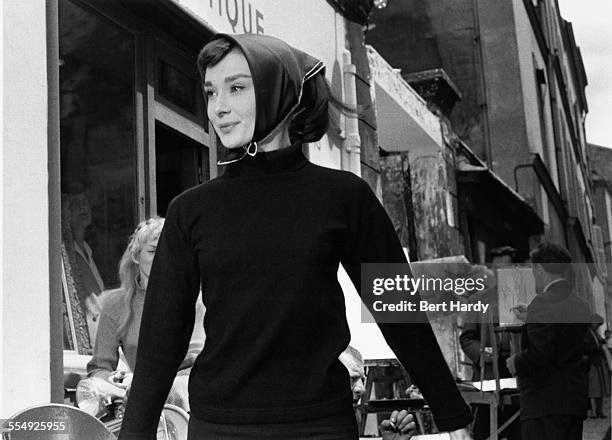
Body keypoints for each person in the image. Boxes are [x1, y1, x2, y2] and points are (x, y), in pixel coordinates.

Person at [118, 33, 472, 440]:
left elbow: (398, 310)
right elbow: (162, 336)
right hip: (220, 428)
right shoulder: (190, 211)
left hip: (319, 426)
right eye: (211, 92)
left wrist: (450, 414)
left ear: (278, 90)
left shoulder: (342, 197)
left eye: (236, 88)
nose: (219, 108)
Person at [87, 217, 205, 412]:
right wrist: (115, 380)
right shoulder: (115, 304)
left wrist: (143, 383)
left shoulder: (195, 302)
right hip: (137, 406)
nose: (161, 258)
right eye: (152, 251)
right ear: (136, 255)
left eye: (168, 252)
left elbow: (196, 366)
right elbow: (98, 368)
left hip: (184, 410)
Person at [505, 242, 590, 440]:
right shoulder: (580, 304)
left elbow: (540, 354)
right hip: (572, 402)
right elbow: (563, 340)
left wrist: (516, 362)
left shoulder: (542, 302)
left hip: (544, 403)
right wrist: (531, 318)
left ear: (540, 269)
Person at [62, 182, 105, 344]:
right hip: (87, 335)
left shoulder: (86, 248)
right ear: (66, 213)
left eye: (85, 203)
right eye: (76, 204)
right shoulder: (66, 253)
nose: (82, 208)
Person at [584, 314, 610, 418]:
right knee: (593, 390)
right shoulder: (587, 333)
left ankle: (599, 410)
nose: (597, 326)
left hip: (598, 363)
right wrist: (599, 348)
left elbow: (600, 342)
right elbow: (587, 347)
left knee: (601, 389)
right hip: (592, 364)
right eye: (597, 324)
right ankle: (594, 411)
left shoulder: (595, 334)